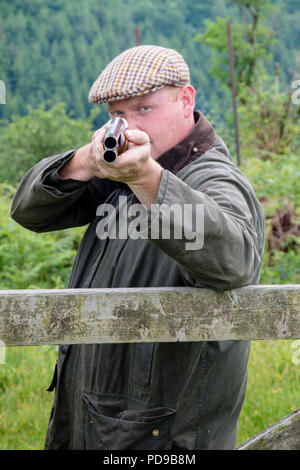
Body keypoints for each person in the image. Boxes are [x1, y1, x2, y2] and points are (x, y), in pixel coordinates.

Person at [10, 45, 265, 450]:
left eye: (143, 109)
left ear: (187, 100)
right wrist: (87, 161)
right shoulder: (118, 172)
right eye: (117, 114)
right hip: (94, 422)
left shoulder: (214, 179)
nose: (128, 125)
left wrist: (148, 178)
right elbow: (28, 211)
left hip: (164, 439)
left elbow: (234, 262)